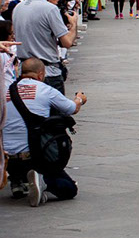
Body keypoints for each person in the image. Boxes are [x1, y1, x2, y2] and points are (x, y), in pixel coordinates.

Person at [4, 58, 86, 206]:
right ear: (41, 74)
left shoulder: (6, 92)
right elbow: (72, 108)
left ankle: (17, 181)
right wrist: (79, 99)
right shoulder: (45, 90)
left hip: (7, 160)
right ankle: (43, 183)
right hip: (34, 157)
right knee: (69, 189)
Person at [13, 0, 78, 95]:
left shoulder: (18, 8)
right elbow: (67, 42)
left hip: (24, 72)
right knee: (54, 107)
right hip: (47, 72)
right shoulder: (50, 9)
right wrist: (74, 23)